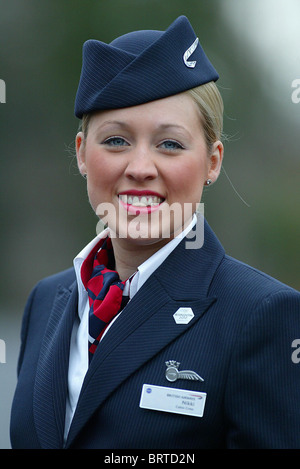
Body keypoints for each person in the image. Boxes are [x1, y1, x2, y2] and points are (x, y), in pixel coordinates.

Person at [10, 15, 300, 449]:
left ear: (213, 161)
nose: (140, 168)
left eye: (170, 144)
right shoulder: (45, 303)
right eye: (115, 140)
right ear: (81, 154)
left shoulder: (263, 317)